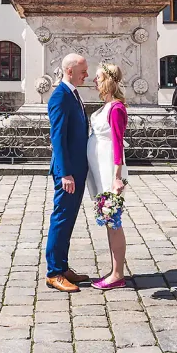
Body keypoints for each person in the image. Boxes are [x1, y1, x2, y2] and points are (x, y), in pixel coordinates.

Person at [45, 53, 91, 293]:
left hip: (76, 169)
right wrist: (65, 173)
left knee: (68, 219)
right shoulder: (60, 97)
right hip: (68, 172)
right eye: (83, 71)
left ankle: (62, 267)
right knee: (61, 219)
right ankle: (54, 273)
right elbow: (58, 138)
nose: (87, 75)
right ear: (70, 70)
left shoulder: (73, 93)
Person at [87, 63, 128, 289]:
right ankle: (114, 270)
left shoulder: (116, 108)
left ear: (108, 80)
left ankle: (118, 274)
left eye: (98, 77)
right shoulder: (107, 106)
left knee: (113, 220)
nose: (94, 81)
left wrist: (117, 177)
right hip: (99, 170)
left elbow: (118, 144)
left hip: (109, 172)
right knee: (108, 220)